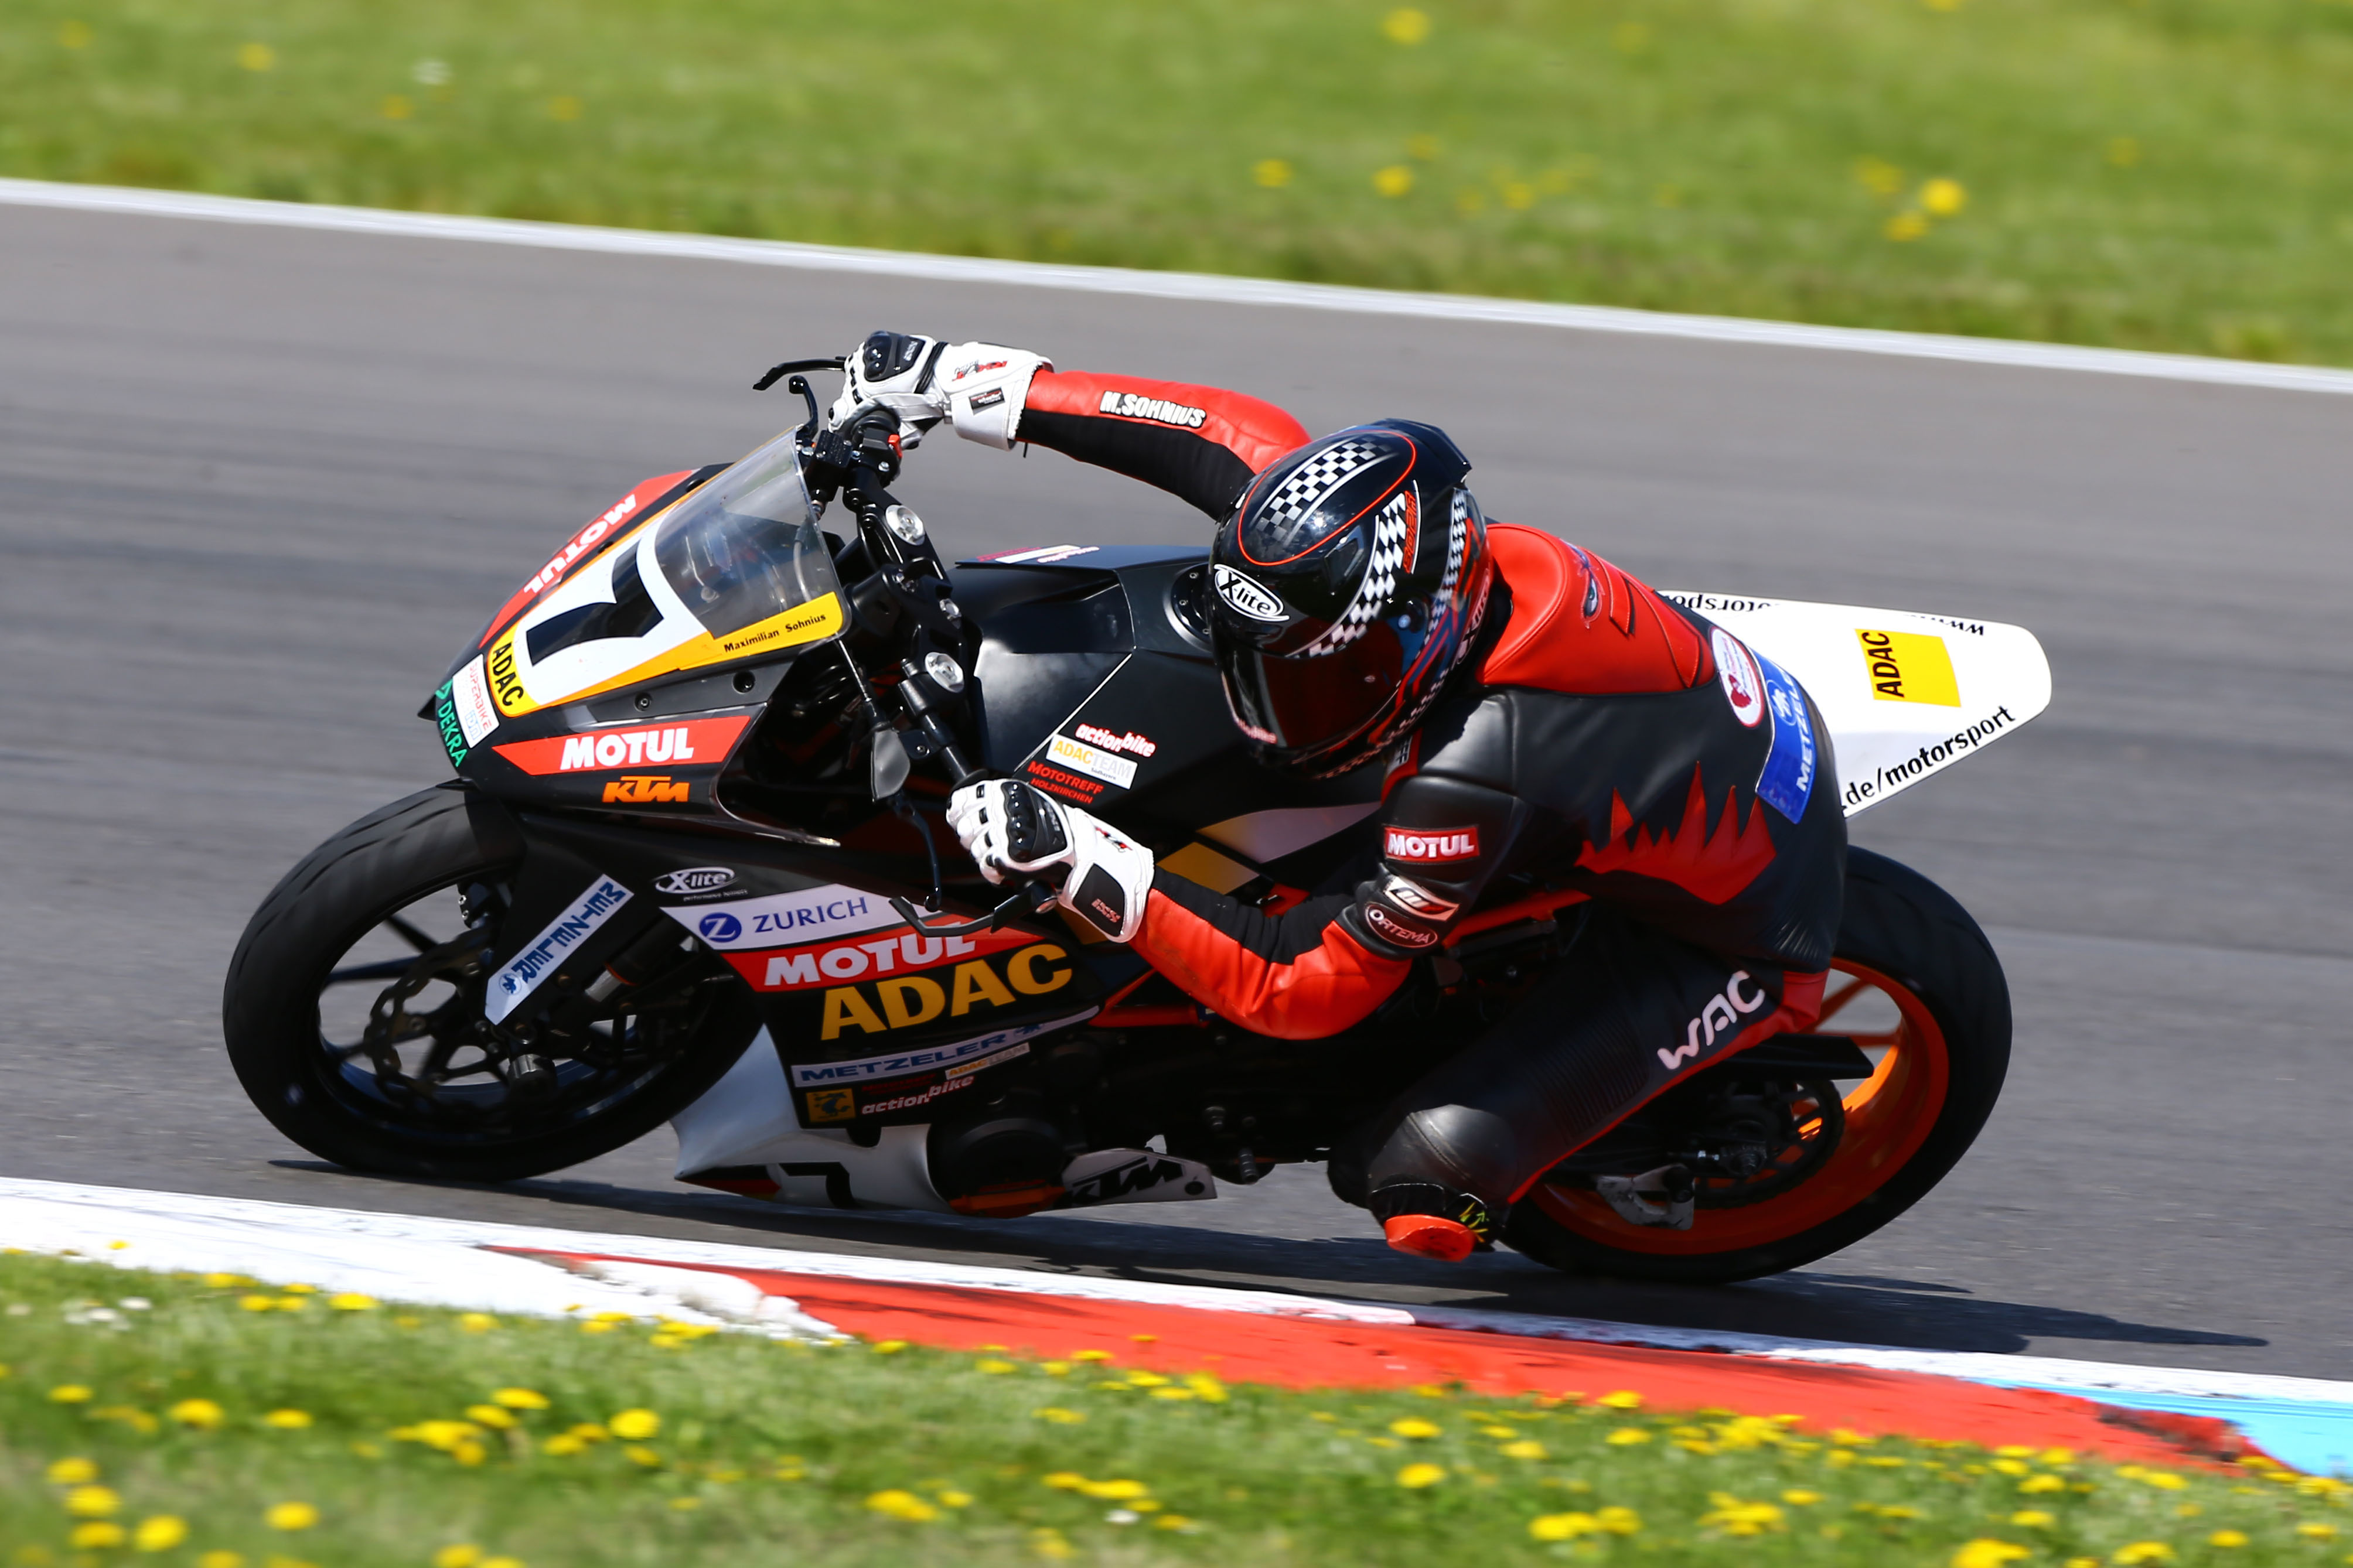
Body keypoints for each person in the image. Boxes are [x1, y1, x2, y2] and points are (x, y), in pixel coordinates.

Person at [834, 330, 1846, 1263]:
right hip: (1652, 745)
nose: (1273, 706)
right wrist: (971, 383)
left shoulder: (1472, 772)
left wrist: (1085, 864)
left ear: (1420, 639)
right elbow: (1225, 432)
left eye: (1322, 678)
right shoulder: (1353, 549)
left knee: (1415, 1185)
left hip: (1727, 934)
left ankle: (1583, 1134)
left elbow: (1303, 987)